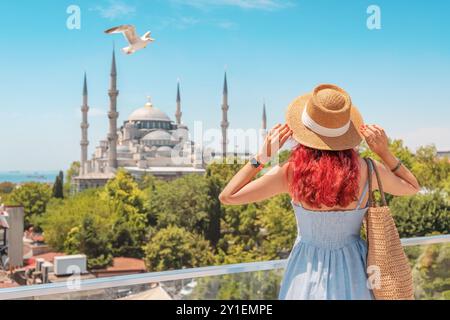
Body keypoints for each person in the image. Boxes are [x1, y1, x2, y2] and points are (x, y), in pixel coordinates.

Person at [219, 84, 420, 300]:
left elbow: (228, 196)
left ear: (305, 132)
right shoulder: (368, 170)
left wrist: (262, 155)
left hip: (306, 269)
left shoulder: (291, 172)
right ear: (346, 132)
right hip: (357, 269)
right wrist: (384, 152)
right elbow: (412, 187)